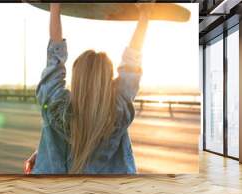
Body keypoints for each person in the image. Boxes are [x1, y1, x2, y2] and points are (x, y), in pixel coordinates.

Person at [24, 3, 149, 174]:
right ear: (107, 80)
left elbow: (55, 57)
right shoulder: (117, 112)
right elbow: (132, 63)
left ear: (77, 79)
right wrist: (144, 17)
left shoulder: (56, 108)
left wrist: (55, 6)